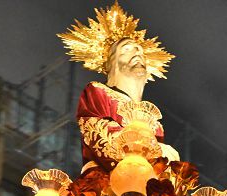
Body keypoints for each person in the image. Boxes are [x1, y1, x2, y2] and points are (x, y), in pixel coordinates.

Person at [58, 2, 175, 169]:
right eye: (127, 49)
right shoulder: (98, 92)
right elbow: (100, 138)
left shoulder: (154, 123)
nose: (137, 53)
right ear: (111, 63)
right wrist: (154, 150)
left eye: (140, 51)